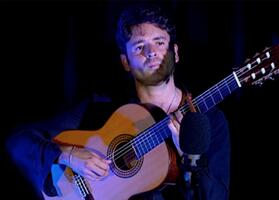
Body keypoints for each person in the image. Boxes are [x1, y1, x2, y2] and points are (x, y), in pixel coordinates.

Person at [5, 4, 231, 200]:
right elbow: (19, 141)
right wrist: (69, 155)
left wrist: (189, 157)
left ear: (176, 53)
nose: (151, 52)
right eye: (140, 47)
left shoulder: (210, 119)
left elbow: (216, 197)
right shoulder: (101, 108)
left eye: (159, 42)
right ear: (125, 61)